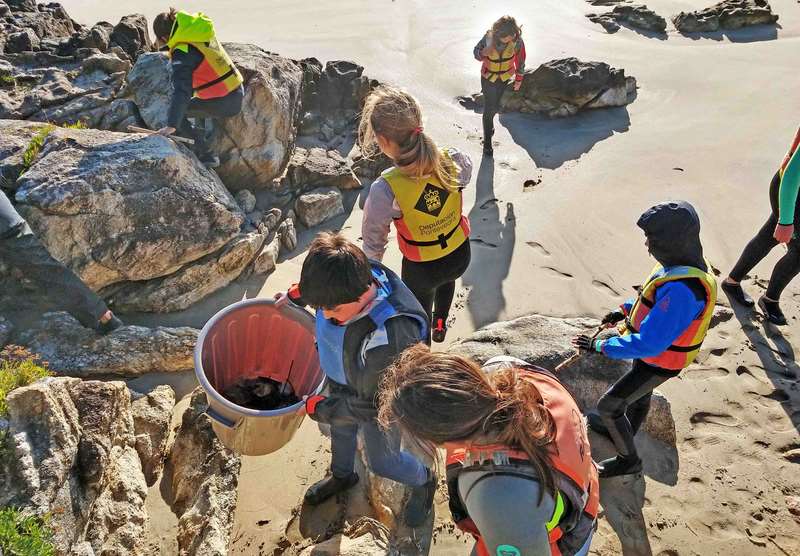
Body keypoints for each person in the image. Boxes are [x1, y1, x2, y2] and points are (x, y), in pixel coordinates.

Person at [274, 232, 436, 527]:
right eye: (318, 305)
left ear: (362, 295)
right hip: (344, 380)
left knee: (382, 461)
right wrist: (301, 295)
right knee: (341, 431)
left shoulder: (388, 337)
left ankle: (425, 481)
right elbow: (325, 291)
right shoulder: (354, 273)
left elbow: (370, 407)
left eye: (330, 309)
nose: (323, 313)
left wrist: (319, 409)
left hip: (377, 401)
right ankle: (342, 475)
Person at [378, 345, 599, 556]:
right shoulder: (509, 370)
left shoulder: (498, 497)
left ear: (435, 438)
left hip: (555, 540)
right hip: (578, 488)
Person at [572, 201, 717, 478]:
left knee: (609, 406)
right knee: (638, 399)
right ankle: (626, 430)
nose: (647, 246)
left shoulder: (683, 291)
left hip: (660, 362)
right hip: (652, 358)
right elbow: (649, 300)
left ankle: (629, 460)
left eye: (652, 240)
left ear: (671, 242)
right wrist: (624, 310)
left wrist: (600, 346)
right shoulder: (683, 265)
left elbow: (651, 342)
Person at [360, 86, 472, 343]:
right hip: (459, 255)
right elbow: (464, 175)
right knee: (447, 282)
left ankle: (425, 348)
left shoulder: (385, 189)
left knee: (419, 313)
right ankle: (441, 322)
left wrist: (369, 282)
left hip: (422, 270)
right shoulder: (453, 159)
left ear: (383, 141)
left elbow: (373, 246)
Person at [0, 190, 123, 334]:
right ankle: (102, 315)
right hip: (10, 225)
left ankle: (102, 316)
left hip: (9, 230)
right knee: (48, 271)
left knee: (47, 272)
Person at [722, 126, 800, 325]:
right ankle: (770, 300)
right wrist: (785, 221)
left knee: (768, 236)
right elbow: (792, 178)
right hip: (790, 192)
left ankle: (732, 282)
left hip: (789, 188)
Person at [152, 9, 245, 167]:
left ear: (164, 37)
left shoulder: (182, 51)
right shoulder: (197, 35)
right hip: (235, 90)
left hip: (225, 99)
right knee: (193, 104)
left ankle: (207, 154)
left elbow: (182, 90)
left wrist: (171, 125)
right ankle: (201, 140)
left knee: (178, 113)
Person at [473, 16, 526, 157]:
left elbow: (521, 61)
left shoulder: (517, 41)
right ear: (499, 34)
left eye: (513, 35)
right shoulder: (488, 38)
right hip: (488, 78)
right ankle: (487, 143)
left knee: (497, 107)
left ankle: (489, 126)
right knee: (490, 107)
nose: (511, 38)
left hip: (504, 78)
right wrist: (483, 53)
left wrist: (519, 79)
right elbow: (476, 53)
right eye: (507, 37)